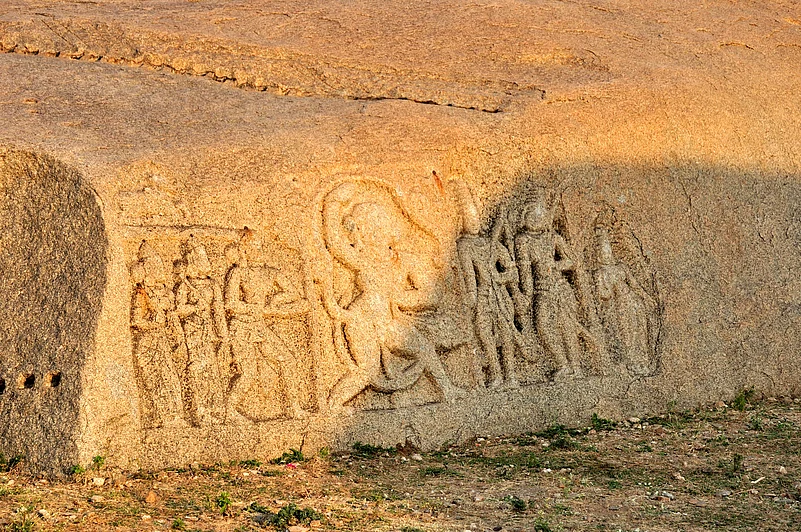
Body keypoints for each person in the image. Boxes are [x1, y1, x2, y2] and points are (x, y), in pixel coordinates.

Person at [319, 182, 466, 413]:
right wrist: (333, 204)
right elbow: (335, 241)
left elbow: (431, 295)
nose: (374, 233)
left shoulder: (402, 259)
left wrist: (398, 298)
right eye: (368, 229)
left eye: (379, 226)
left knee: (423, 348)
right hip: (362, 321)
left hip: (389, 321)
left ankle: (448, 390)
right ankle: (334, 404)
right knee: (366, 372)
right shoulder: (362, 258)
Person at [224, 228, 307, 422]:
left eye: (258, 245)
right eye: (251, 246)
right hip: (242, 326)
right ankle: (229, 410)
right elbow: (230, 303)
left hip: (259, 325)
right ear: (243, 250)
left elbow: (294, 294)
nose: (257, 249)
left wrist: (276, 301)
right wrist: (255, 309)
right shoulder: (238, 272)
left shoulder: (270, 273)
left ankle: (293, 408)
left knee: (287, 360)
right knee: (248, 373)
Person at [514, 193, 587, 380]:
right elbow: (525, 272)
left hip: (560, 287)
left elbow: (571, 261)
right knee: (543, 325)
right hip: (541, 289)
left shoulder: (553, 238)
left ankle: (576, 366)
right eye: (532, 215)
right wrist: (526, 296)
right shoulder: (522, 240)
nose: (536, 219)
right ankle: (562, 363)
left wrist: (555, 265)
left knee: (567, 327)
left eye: (540, 215)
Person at [130, 240, 185, 428]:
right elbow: (136, 321)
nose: (158, 267)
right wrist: (154, 325)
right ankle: (163, 418)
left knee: (171, 380)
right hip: (148, 342)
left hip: (162, 340)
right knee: (156, 381)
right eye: (154, 264)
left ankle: (175, 417)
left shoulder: (164, 291)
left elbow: (172, 317)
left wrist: (179, 338)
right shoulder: (141, 292)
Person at [174, 235, 227, 425]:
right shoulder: (184, 286)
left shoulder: (213, 285)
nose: (205, 261)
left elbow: (219, 312)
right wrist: (195, 308)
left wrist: (224, 335)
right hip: (193, 330)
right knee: (197, 368)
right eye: (200, 257)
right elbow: (179, 309)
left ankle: (217, 411)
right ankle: (200, 410)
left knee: (212, 371)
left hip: (209, 332)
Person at [594, 227, 655, 376]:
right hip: (618, 306)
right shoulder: (600, 273)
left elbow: (634, 284)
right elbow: (603, 294)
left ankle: (643, 359)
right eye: (603, 251)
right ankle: (631, 362)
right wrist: (607, 290)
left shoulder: (621, 267)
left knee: (639, 330)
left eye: (608, 250)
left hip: (633, 301)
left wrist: (646, 297)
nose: (606, 254)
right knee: (626, 333)